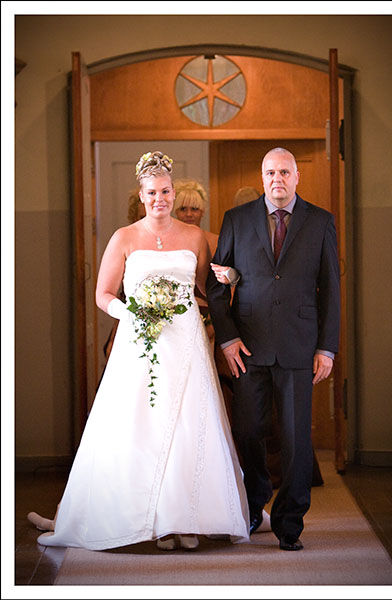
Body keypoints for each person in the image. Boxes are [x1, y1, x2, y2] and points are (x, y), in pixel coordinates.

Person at [33, 151, 249, 552]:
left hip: (185, 342)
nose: (160, 199)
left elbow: (209, 289)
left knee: (188, 425)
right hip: (141, 342)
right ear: (142, 195)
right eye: (152, 193)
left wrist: (230, 276)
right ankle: (154, 523)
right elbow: (103, 294)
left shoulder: (194, 237)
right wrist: (132, 313)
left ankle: (187, 519)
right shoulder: (124, 237)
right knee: (141, 425)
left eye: (165, 191)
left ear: (173, 192)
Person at [206, 147, 340, 551]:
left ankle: (289, 523)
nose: (277, 179)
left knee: (296, 440)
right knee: (248, 431)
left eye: (284, 172)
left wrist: (327, 348)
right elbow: (216, 283)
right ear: (262, 177)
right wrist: (227, 338)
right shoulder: (236, 219)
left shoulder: (320, 221)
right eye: (270, 173)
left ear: (297, 176)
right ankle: (254, 501)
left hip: (300, 346)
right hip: (248, 347)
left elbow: (331, 289)